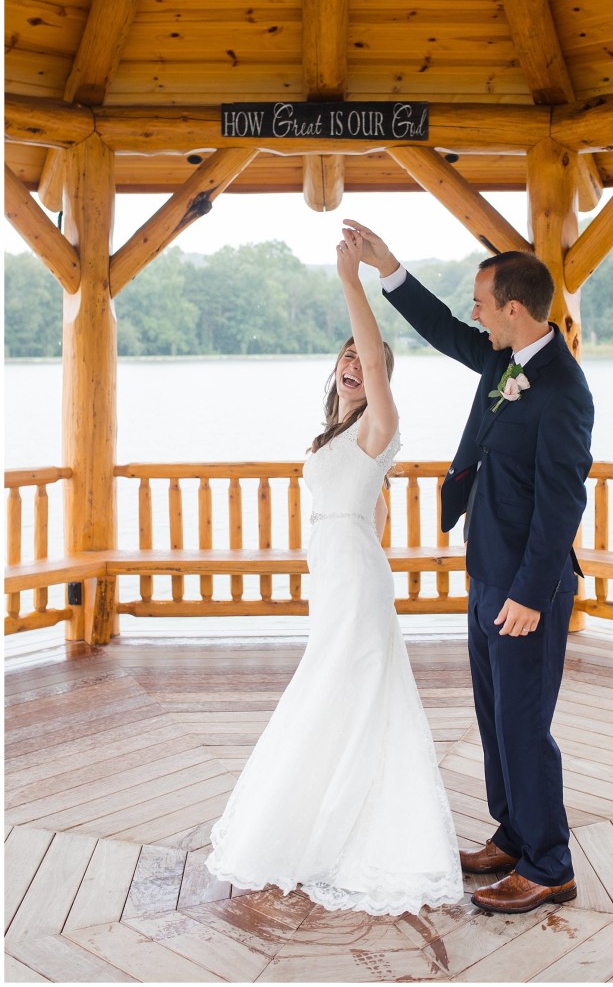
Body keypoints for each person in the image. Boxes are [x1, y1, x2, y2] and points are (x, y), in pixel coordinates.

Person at [205, 227, 463, 917]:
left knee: (342, 687)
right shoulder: (333, 435)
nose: (355, 363)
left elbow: (379, 367)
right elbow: (365, 517)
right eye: (346, 356)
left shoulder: (381, 425)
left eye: (363, 357)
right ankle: (311, 818)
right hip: (338, 575)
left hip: (355, 582)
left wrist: (352, 279)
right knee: (333, 685)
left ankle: (348, 832)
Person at [343, 218, 594, 915]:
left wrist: (531, 594)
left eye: (482, 302)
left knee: (524, 726)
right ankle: (512, 836)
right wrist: (386, 264)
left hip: (525, 592)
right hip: (487, 572)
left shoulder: (564, 393)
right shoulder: (501, 357)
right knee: (495, 718)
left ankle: (550, 864)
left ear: (514, 308)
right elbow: (440, 328)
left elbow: (560, 503)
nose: (474, 314)